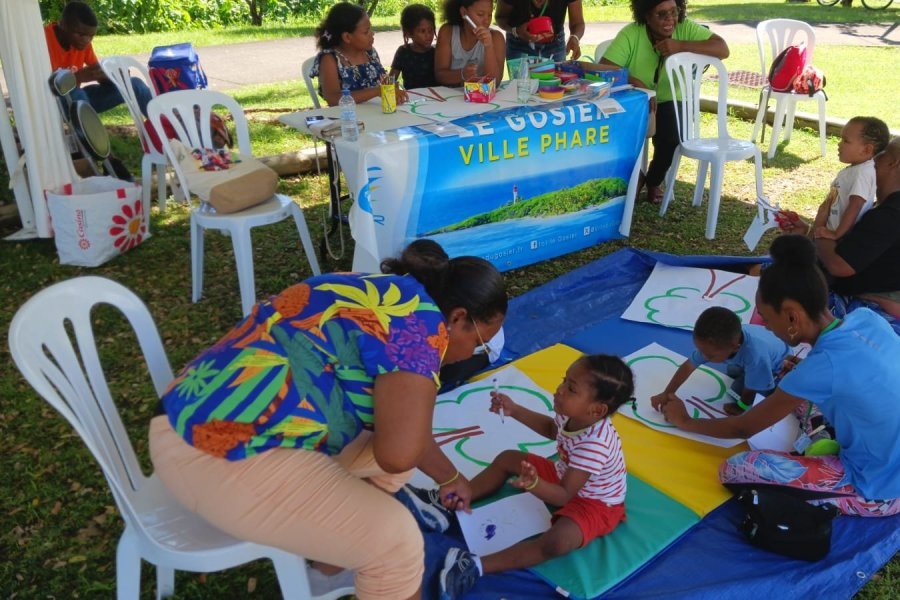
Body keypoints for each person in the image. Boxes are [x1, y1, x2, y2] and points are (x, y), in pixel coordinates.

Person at [149, 240, 507, 599]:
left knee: (399, 443)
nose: (470, 356)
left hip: (202, 416)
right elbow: (398, 453)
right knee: (398, 545)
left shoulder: (392, 293)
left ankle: (328, 568)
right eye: (480, 343)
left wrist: (451, 477)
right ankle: (372, 560)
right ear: (458, 317)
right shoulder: (423, 333)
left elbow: (403, 437)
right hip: (211, 450)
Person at [653, 235, 900, 517]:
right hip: (888, 452)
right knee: (794, 389)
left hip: (880, 487)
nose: (766, 328)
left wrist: (685, 421)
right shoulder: (866, 319)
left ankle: (846, 488)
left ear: (792, 317)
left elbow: (742, 428)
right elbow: (860, 370)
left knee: (736, 469)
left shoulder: (818, 369)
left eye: (767, 319)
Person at [408, 355, 633, 598]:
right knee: (509, 458)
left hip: (596, 503)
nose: (559, 390)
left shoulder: (595, 445)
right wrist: (514, 410)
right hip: (564, 475)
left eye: (571, 388)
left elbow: (564, 496)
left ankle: (474, 565)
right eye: (564, 380)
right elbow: (551, 429)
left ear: (597, 409)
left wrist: (536, 484)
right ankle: (447, 503)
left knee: (558, 542)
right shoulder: (574, 414)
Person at [600, 0, 728, 204]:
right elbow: (606, 67)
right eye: (661, 14)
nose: (670, 19)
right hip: (635, 99)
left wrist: (680, 46)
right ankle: (627, 179)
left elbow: (722, 49)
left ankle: (651, 181)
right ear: (646, 17)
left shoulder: (684, 27)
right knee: (616, 135)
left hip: (670, 99)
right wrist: (638, 84)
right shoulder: (632, 33)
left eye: (674, 11)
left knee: (672, 138)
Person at [778, 137, 900, 331]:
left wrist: (819, 228)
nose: (875, 158)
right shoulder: (886, 208)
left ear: (894, 163)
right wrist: (808, 232)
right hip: (866, 292)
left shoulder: (890, 215)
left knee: (770, 281)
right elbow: (856, 245)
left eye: (883, 153)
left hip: (864, 303)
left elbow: (838, 265)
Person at [651, 306, 791, 416]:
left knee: (737, 389)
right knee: (732, 371)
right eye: (702, 352)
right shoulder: (717, 344)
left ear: (735, 348)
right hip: (754, 355)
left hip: (776, 363)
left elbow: (750, 389)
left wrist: (741, 406)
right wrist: (667, 393)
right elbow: (689, 365)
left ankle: (776, 378)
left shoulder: (756, 355)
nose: (704, 357)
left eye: (710, 356)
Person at [44, 1, 152, 117]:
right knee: (78, 95)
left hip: (79, 100)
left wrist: (111, 76)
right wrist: (77, 77)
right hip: (52, 103)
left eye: (91, 36)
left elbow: (96, 72)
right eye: (81, 35)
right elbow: (43, 88)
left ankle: (166, 124)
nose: (86, 40)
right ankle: (87, 135)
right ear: (63, 24)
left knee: (134, 84)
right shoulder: (43, 39)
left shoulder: (82, 43)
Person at [310, 2, 408, 107]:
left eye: (370, 29)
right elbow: (333, 99)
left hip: (377, 113)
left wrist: (392, 89)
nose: (372, 33)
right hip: (349, 118)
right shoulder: (330, 59)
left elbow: (382, 81)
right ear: (347, 37)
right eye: (366, 32)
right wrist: (377, 91)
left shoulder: (370, 53)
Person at [812, 117, 889, 241]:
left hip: (839, 240)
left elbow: (855, 206)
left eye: (845, 141)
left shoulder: (863, 173)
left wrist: (836, 234)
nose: (839, 143)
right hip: (827, 234)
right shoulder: (854, 170)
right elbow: (827, 204)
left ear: (867, 149)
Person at [435, 0, 507, 86]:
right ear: (464, 12)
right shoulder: (448, 32)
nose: (486, 21)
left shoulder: (496, 38)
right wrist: (462, 74)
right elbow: (440, 75)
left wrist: (489, 46)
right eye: (480, 14)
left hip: (481, 97)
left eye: (489, 15)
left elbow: (495, 82)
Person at [495, 0, 586, 62]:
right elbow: (500, 17)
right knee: (522, 87)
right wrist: (515, 31)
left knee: (556, 87)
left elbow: (577, 23)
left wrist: (574, 38)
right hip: (519, 44)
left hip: (555, 45)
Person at [389, 4, 438, 90]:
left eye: (431, 30)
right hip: (412, 99)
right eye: (422, 31)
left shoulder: (436, 52)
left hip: (437, 97)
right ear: (408, 33)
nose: (428, 35)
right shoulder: (403, 52)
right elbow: (391, 80)